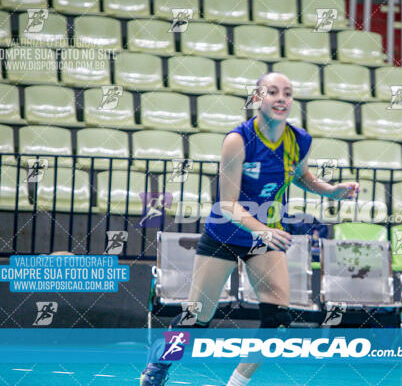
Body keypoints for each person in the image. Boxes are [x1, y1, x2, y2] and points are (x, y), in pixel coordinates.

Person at [140, 72, 359, 386]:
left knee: (278, 321)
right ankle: (159, 365)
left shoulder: (299, 140)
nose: (281, 98)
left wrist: (330, 190)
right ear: (257, 98)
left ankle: (236, 383)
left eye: (287, 92)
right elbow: (227, 203)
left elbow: (300, 175)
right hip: (227, 234)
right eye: (272, 92)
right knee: (197, 318)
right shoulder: (237, 140)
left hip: (267, 237)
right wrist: (262, 230)